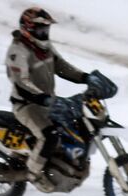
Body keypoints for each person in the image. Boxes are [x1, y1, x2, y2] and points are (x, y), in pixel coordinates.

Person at [5, 7, 88, 184]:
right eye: (40, 29)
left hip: (47, 103)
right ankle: (32, 173)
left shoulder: (46, 47)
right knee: (49, 135)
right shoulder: (17, 51)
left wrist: (86, 77)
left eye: (46, 29)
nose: (44, 33)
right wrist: (42, 97)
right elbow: (22, 83)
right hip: (26, 105)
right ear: (28, 29)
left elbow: (63, 67)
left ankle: (63, 165)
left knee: (76, 126)